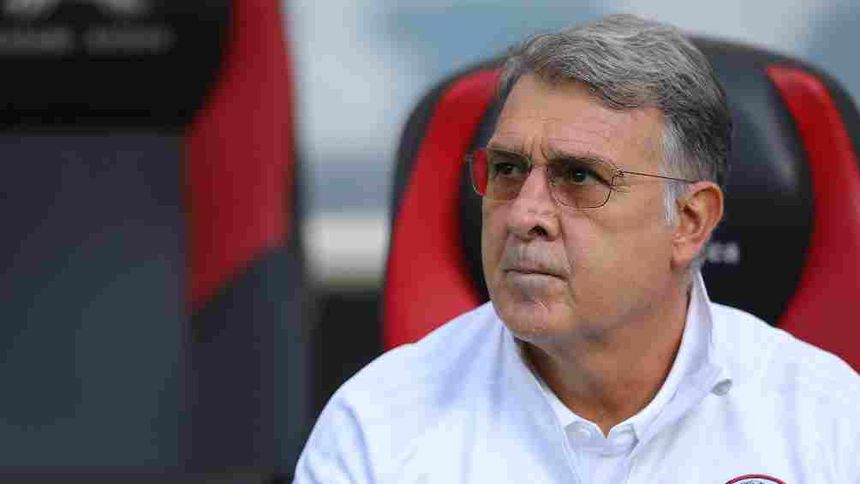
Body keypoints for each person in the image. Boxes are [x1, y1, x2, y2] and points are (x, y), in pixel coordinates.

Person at [294, 14, 859, 483]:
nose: (524, 215)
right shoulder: (376, 428)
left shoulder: (829, 422)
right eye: (508, 170)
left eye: (580, 177)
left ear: (689, 222)